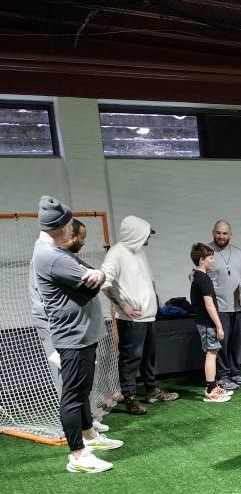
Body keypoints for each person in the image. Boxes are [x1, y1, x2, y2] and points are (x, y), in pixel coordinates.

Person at [32, 195, 123, 474]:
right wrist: (97, 276)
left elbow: (93, 274)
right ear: (59, 227)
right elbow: (91, 285)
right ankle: (78, 456)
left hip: (82, 334)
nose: (74, 229)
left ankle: (90, 437)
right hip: (72, 337)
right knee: (72, 395)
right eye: (70, 225)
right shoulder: (50, 256)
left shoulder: (59, 252)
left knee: (82, 391)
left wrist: (97, 274)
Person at [30, 218, 109, 433]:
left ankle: (87, 427)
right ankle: (77, 441)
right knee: (69, 385)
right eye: (80, 237)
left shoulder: (65, 257)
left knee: (82, 382)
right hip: (63, 331)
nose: (82, 243)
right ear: (68, 234)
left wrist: (99, 275)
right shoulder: (49, 258)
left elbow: (97, 278)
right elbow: (87, 288)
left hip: (80, 330)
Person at [101, 215, 179, 415]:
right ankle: (130, 398)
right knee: (130, 359)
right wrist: (123, 306)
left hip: (149, 317)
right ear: (135, 234)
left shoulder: (139, 252)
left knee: (149, 357)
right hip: (132, 320)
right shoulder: (116, 253)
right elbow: (104, 283)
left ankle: (152, 390)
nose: (148, 239)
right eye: (146, 235)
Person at [208, 219, 241, 390]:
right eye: (218, 232)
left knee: (235, 342)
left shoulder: (239, 253)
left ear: (230, 234)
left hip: (237, 307)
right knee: (221, 343)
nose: (221, 236)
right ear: (213, 232)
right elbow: (196, 275)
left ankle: (234, 373)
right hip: (218, 307)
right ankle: (223, 376)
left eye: (225, 233)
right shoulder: (206, 251)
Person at [189, 243, 233, 403]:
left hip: (204, 322)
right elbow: (209, 304)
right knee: (211, 354)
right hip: (207, 323)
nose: (213, 261)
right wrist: (219, 326)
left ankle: (213, 386)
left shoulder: (197, 276)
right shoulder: (204, 279)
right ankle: (211, 390)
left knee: (212, 353)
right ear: (202, 260)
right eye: (210, 258)